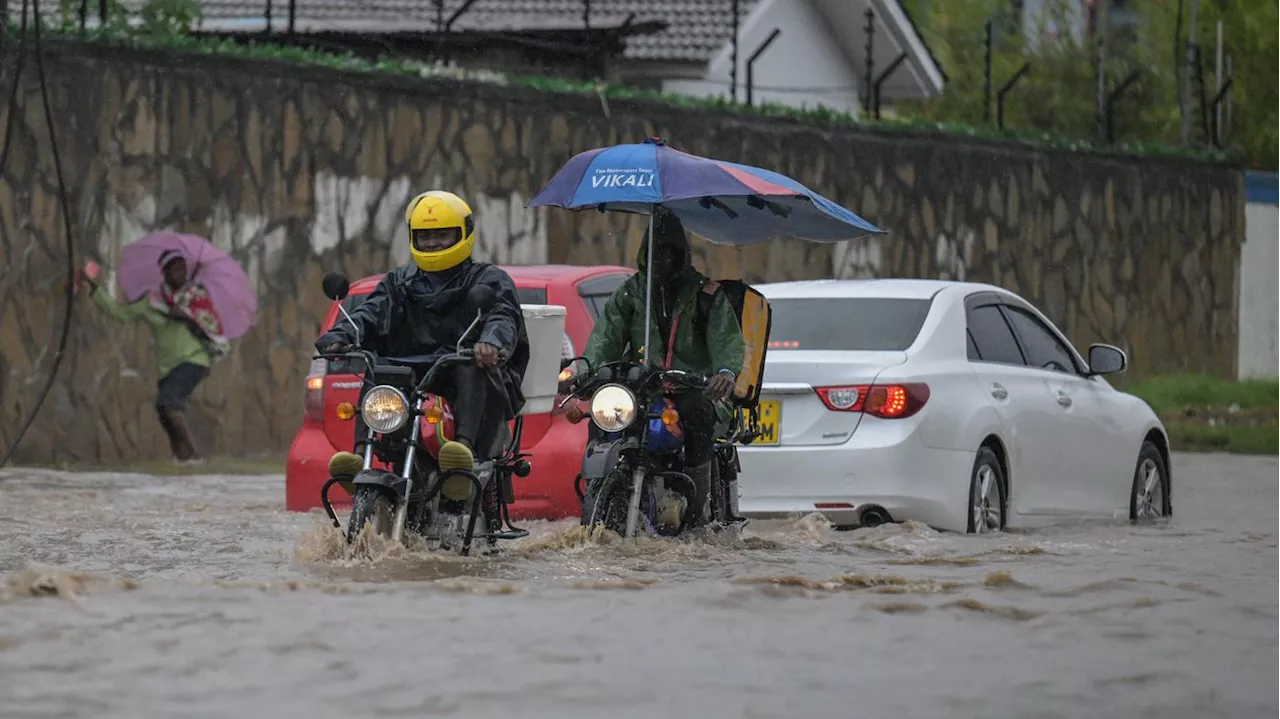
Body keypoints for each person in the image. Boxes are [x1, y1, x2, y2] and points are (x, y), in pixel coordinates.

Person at [317, 190, 530, 484]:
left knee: (468, 364)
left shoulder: (488, 279)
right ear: (412, 237)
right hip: (409, 373)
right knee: (376, 368)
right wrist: (340, 334)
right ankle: (361, 457)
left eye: (442, 235)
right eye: (425, 236)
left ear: (464, 234)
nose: (433, 242)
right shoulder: (398, 281)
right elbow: (372, 312)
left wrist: (492, 342)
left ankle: (461, 458)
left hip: (465, 375)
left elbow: (502, 315)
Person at [569, 207, 745, 527]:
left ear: (683, 255)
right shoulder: (631, 292)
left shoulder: (706, 295)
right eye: (655, 251)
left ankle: (696, 511)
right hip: (640, 388)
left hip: (692, 387)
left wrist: (725, 373)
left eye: (669, 253)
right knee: (603, 414)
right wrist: (585, 372)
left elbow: (727, 341)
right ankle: (602, 489)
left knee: (697, 413)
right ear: (644, 253)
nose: (661, 259)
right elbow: (605, 337)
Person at [78, 249, 225, 463]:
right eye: (175, 269)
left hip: (194, 360)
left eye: (183, 268)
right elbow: (120, 313)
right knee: (162, 409)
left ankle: (193, 456)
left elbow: (211, 324)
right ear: (164, 273)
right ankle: (181, 457)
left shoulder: (195, 297)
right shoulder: (151, 302)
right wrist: (93, 288)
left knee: (168, 402)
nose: (181, 273)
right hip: (168, 367)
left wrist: (186, 316)